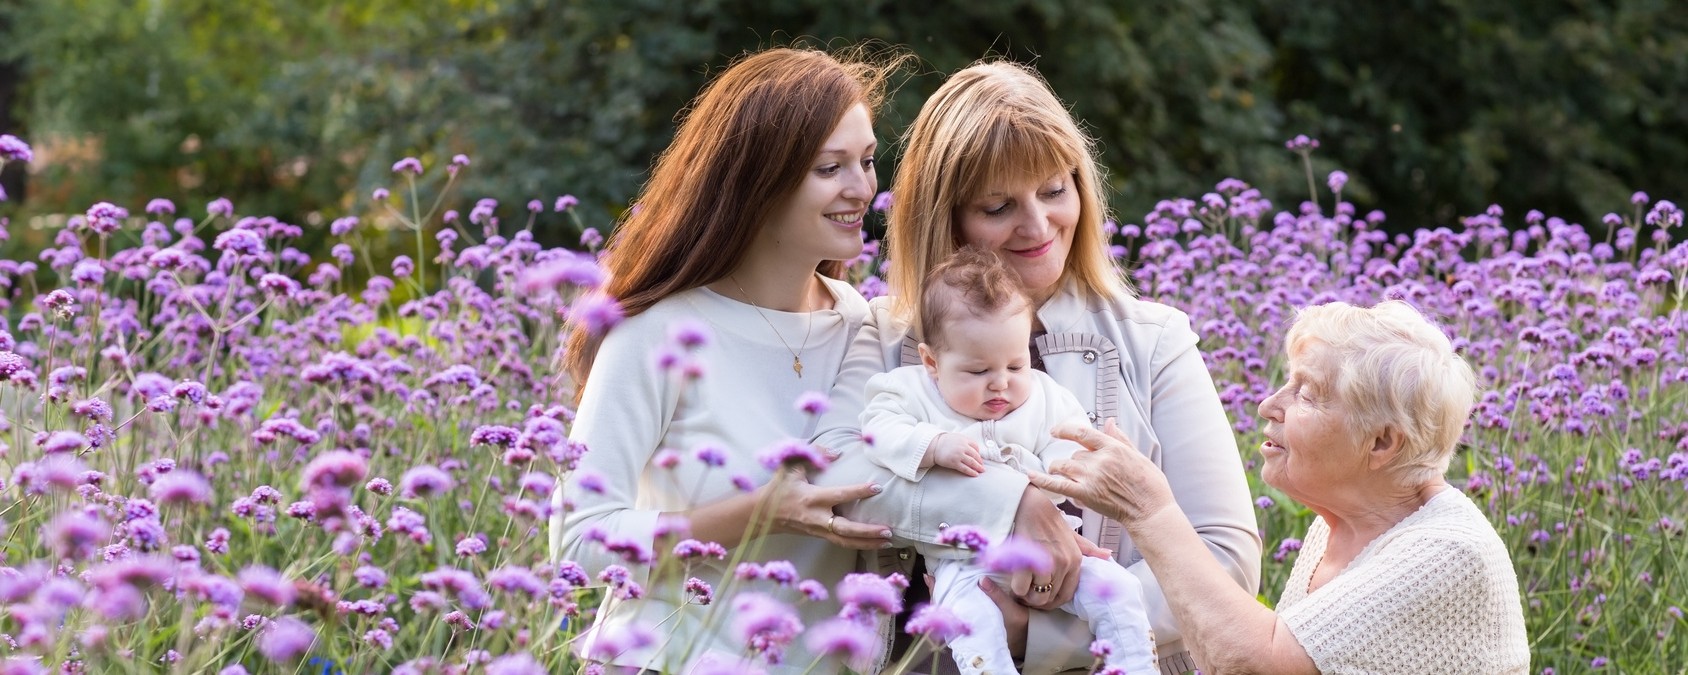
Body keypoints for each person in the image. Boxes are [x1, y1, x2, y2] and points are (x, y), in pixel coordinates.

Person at [812, 60, 1261, 674]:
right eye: (998, 206)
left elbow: (1225, 559)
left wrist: (1040, 634)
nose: (1038, 224)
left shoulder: (1153, 341)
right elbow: (842, 484)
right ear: (945, 218)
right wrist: (1012, 500)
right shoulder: (886, 334)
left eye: (1054, 190)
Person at [549, 46, 907, 672]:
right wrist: (756, 514)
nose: (863, 188)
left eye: (868, 161)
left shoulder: (866, 324)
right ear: (757, 182)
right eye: (831, 168)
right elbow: (578, 543)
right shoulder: (656, 334)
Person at [1030, 300, 1531, 674]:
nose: (1269, 405)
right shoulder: (1341, 528)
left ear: (1381, 443)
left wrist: (1150, 510)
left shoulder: (1446, 552)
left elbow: (1255, 664)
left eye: (1306, 395)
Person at [859, 247, 1156, 675]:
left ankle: (1135, 667)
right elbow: (878, 430)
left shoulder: (1044, 395)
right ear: (931, 362)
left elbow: (1068, 447)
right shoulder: (908, 392)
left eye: (1015, 365)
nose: (1001, 384)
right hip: (962, 562)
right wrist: (932, 444)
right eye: (978, 372)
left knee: (1119, 588)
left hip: (1049, 551)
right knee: (972, 625)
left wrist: (1067, 472)